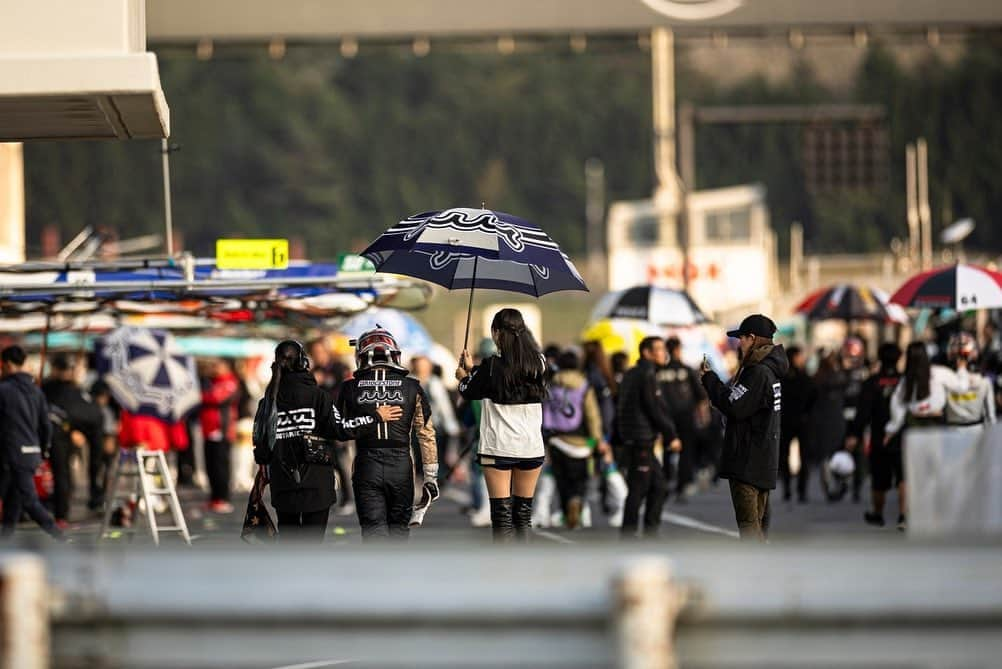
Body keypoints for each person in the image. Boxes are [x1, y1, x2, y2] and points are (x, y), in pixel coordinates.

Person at [253, 340, 401, 541]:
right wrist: (375, 417)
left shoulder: (267, 402)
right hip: (316, 484)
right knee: (312, 548)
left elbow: (260, 447)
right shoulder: (318, 396)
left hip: (283, 483)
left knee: (288, 548)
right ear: (304, 363)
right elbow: (341, 429)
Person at [456, 308, 547, 543]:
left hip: (498, 447)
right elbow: (506, 378)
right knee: (523, 515)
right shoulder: (539, 363)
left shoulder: (492, 366)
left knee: (502, 515)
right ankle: (525, 566)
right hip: (531, 447)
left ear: (496, 333)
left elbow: (469, 391)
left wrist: (463, 376)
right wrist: (474, 371)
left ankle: (505, 569)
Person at [338, 328, 438, 541]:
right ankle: (397, 573)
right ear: (395, 354)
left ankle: (376, 573)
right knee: (399, 531)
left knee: (373, 530)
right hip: (401, 465)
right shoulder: (413, 386)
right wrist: (431, 476)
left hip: (366, 463)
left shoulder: (349, 388)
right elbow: (426, 434)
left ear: (361, 355)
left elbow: (339, 430)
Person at [700, 314, 788, 542]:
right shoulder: (769, 370)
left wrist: (710, 381)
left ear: (752, 338)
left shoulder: (758, 372)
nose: (739, 344)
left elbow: (734, 406)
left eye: (742, 339)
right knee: (758, 525)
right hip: (762, 456)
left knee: (750, 526)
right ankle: (762, 570)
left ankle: (754, 572)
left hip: (749, 459)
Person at [884, 341, 964, 531]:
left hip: (913, 424)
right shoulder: (940, 372)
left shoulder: (906, 380)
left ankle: (904, 515)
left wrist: (891, 430)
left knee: (906, 474)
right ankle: (936, 514)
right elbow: (961, 387)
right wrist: (961, 370)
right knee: (936, 469)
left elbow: (897, 408)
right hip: (936, 424)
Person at [616, 337, 681, 538]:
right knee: (638, 487)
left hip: (638, 438)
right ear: (646, 352)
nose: (664, 353)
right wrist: (671, 436)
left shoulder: (635, 372)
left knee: (659, 486)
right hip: (640, 439)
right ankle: (629, 534)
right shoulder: (646, 374)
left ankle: (649, 532)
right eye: (659, 349)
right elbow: (654, 408)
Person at [0, 346, 63, 540]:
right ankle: (5, 541)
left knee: (28, 501)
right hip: (31, 453)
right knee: (13, 502)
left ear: (8, 364)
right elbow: (45, 425)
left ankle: (59, 536)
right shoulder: (37, 392)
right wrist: (43, 451)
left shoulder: (3, 390)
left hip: (10, 454)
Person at [544, 348, 609, 529]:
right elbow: (592, 415)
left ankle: (567, 510)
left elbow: (544, 411)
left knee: (561, 480)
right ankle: (577, 500)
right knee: (581, 479)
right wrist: (598, 439)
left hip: (556, 439)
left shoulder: (551, 384)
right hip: (581, 442)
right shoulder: (584, 386)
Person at [42, 354, 106, 522]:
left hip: (67, 430)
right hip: (65, 430)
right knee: (65, 472)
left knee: (63, 471)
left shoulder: (57, 389)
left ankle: (67, 510)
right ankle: (69, 508)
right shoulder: (58, 389)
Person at [848, 342, 903, 528]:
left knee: (879, 479)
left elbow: (863, 411)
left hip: (879, 437)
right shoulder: (904, 381)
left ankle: (878, 513)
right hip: (902, 436)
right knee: (903, 477)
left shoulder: (871, 383)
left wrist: (854, 434)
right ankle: (904, 515)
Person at [656, 336, 705, 502]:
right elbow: (700, 395)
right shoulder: (687, 370)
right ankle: (682, 485)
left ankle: (666, 481)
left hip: (666, 417)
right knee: (686, 451)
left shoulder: (659, 371)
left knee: (668, 449)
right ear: (677, 349)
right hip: (685, 415)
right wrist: (702, 415)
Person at [200, 358, 241, 513]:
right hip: (208, 430)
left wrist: (202, 396)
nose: (213, 368)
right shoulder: (210, 382)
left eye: (217, 365)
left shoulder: (230, 382)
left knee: (220, 466)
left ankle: (223, 498)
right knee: (210, 466)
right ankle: (214, 498)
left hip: (222, 431)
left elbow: (216, 398)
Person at [779, 346, 816, 502]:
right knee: (802, 457)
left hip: (787, 421)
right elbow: (814, 397)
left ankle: (789, 489)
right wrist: (807, 413)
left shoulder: (781, 378)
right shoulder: (804, 377)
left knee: (785, 456)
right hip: (800, 422)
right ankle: (800, 491)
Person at [810, 351, 848, 501]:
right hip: (837, 421)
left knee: (825, 459)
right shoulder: (840, 378)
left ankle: (828, 487)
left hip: (821, 423)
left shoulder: (816, 379)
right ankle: (839, 484)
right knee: (837, 455)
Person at [943, 332, 996, 427]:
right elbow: (991, 417)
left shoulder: (944, 378)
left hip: (951, 432)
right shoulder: (984, 381)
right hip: (976, 432)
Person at [840, 337, 870, 502]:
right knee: (842, 451)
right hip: (842, 417)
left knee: (858, 454)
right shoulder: (840, 373)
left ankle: (856, 487)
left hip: (858, 417)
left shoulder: (864, 373)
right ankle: (843, 483)